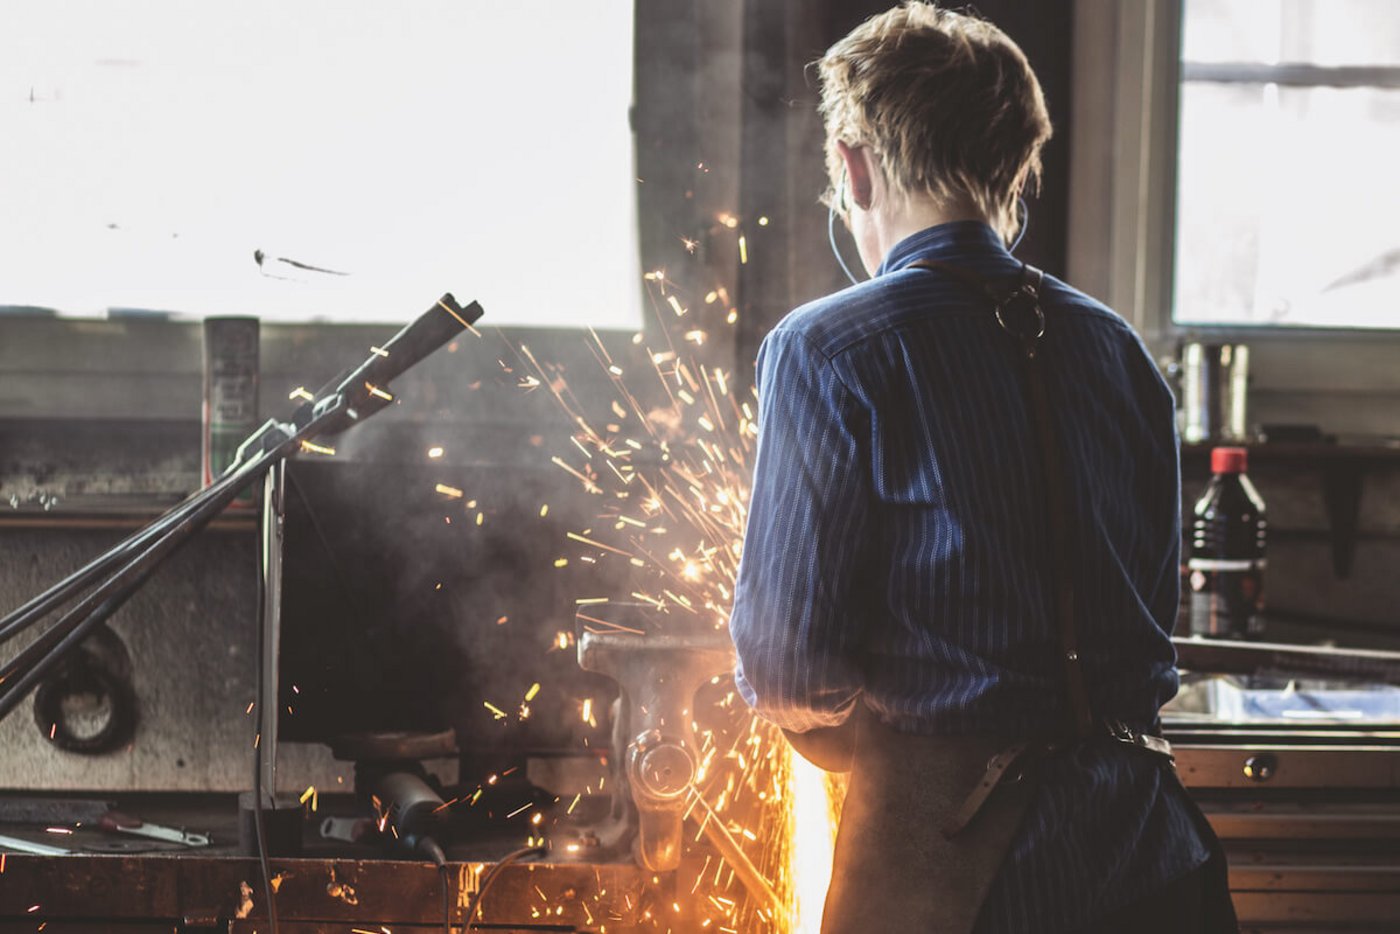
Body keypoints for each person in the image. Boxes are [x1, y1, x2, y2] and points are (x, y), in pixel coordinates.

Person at [727, 4, 1238, 932]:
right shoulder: (1118, 350)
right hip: (1154, 855)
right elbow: (1142, 612)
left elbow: (788, 669)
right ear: (1017, 166)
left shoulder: (827, 349)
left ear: (852, 164)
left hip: (955, 876)